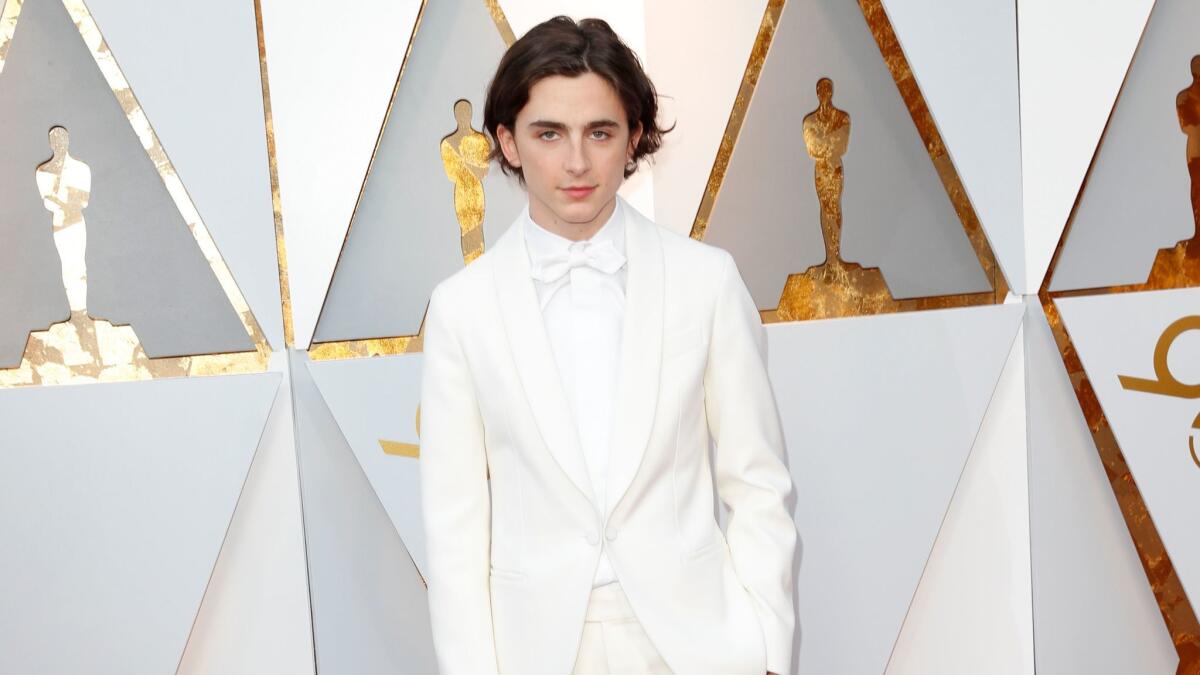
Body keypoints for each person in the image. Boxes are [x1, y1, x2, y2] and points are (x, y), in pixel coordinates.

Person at [420, 15, 797, 675]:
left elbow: (757, 478)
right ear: (507, 143)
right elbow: (455, 529)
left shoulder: (706, 283)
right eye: (548, 134)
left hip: (699, 645)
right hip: (535, 651)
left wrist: (766, 645)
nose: (576, 162)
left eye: (599, 132)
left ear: (634, 138)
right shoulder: (460, 311)